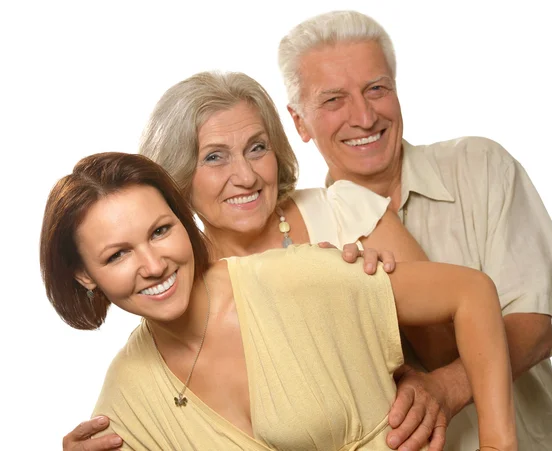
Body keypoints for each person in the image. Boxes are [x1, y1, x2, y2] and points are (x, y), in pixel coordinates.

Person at [62, 70, 450, 451]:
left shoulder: (349, 215)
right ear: (174, 175)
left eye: (257, 147)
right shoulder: (176, 279)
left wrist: (441, 387)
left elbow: (467, 342)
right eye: (214, 157)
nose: (245, 176)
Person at [41, 151, 516, 450]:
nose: (152, 264)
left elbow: (470, 293)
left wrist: (497, 443)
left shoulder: (293, 278)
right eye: (118, 254)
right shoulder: (128, 394)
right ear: (85, 275)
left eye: (161, 231)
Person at [277, 9, 552, 450]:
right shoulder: (298, 234)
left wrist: (446, 386)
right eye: (333, 100)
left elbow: (534, 323)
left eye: (377, 89)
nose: (364, 117)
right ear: (299, 122)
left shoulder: (480, 167)